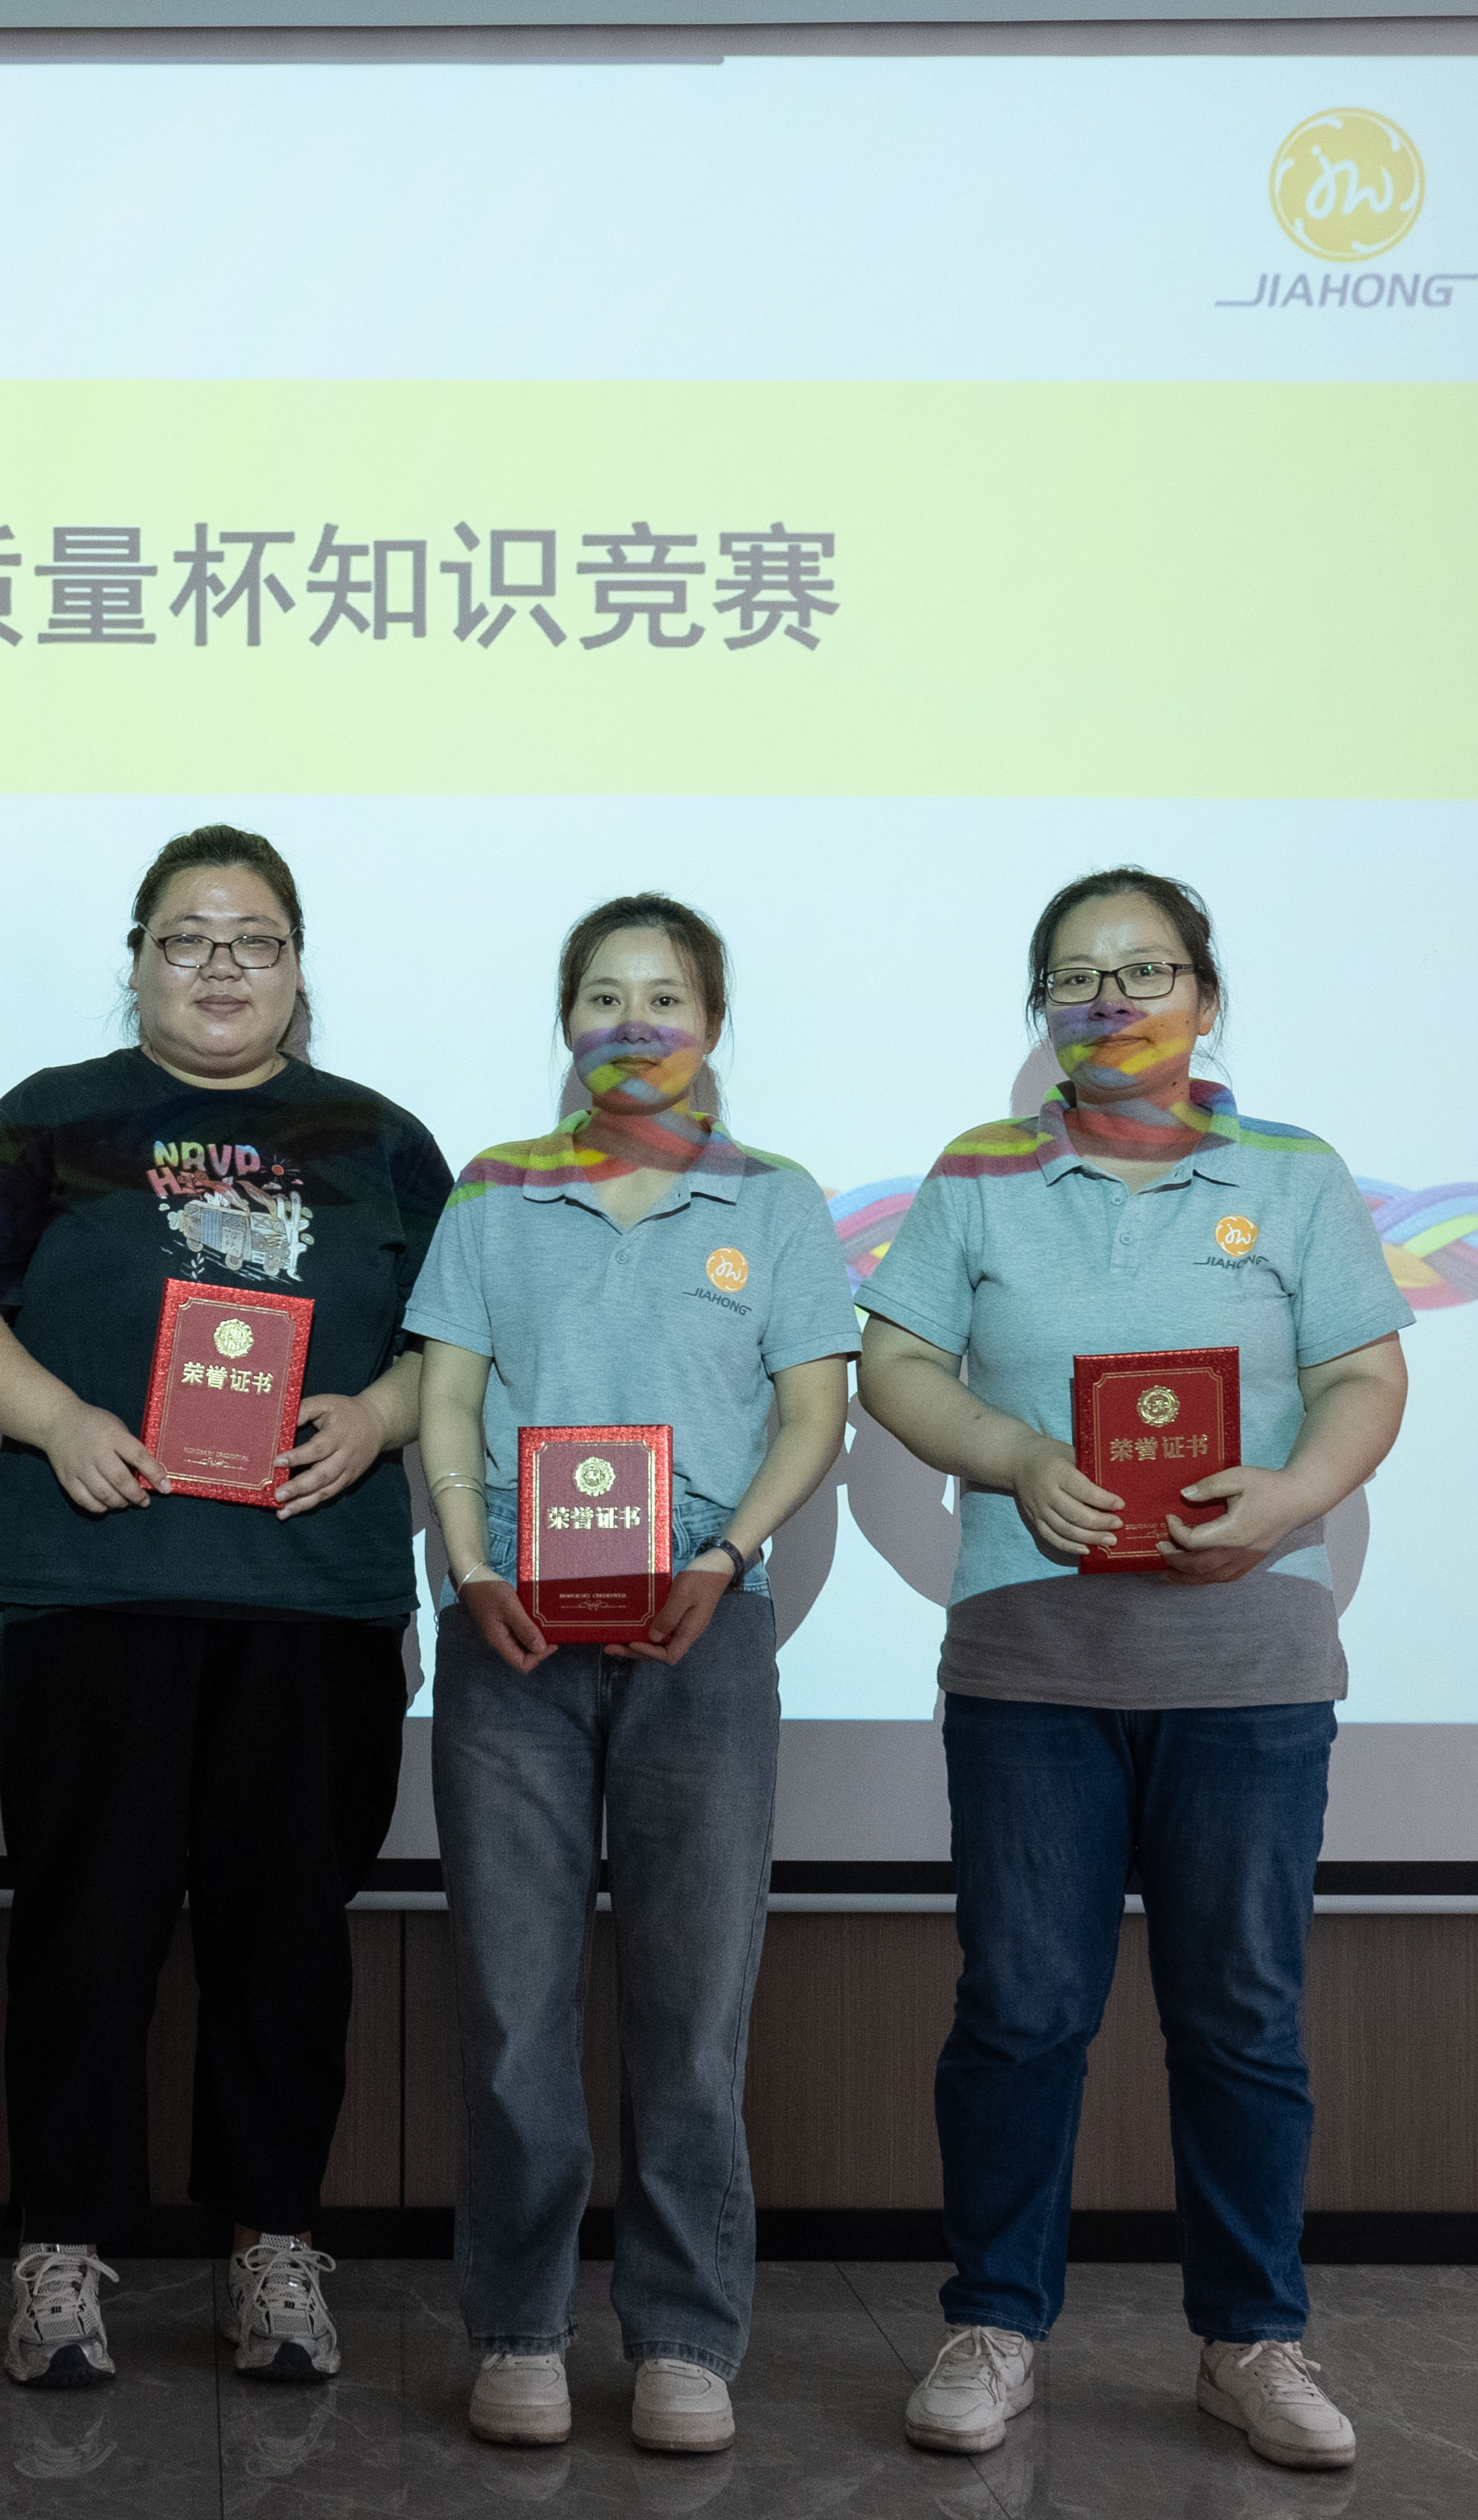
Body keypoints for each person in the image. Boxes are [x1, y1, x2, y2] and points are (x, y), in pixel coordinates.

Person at [852, 869, 1412, 2473]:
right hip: (1033, 1666)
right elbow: (895, 1361)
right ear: (1042, 1011)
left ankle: (1253, 2337)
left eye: (1144, 969)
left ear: (1205, 997)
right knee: (1021, 2011)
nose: (1109, 999)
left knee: (1242, 2016)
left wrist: (1290, 1498)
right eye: (1074, 977)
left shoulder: (1294, 1173)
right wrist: (1017, 1457)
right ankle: (996, 2322)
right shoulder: (979, 1173)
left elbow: (1364, 1378)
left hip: (1248, 1666)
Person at [0, 826, 453, 2390]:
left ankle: (272, 2243)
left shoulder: (382, 1139)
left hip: (314, 1598)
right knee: (85, 1935)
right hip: (96, 1587)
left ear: (297, 965)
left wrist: (380, 1415)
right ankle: (62, 2247)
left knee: (288, 1944)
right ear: (138, 958)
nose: (221, 966)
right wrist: (60, 1420)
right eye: (187, 937)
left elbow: (463, 1338)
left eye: (254, 939)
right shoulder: (53, 1116)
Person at [406, 894, 859, 2458]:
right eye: (602, 996)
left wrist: (725, 1553)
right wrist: (470, 1563)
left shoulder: (777, 1202)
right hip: (511, 1639)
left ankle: (683, 2335)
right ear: (567, 1023)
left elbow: (814, 1412)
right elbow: (447, 1399)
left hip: (702, 1635)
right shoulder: (494, 1192)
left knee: (692, 2013)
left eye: (664, 996)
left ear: (712, 1024)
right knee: (513, 2010)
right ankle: (520, 2327)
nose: (633, 1023)